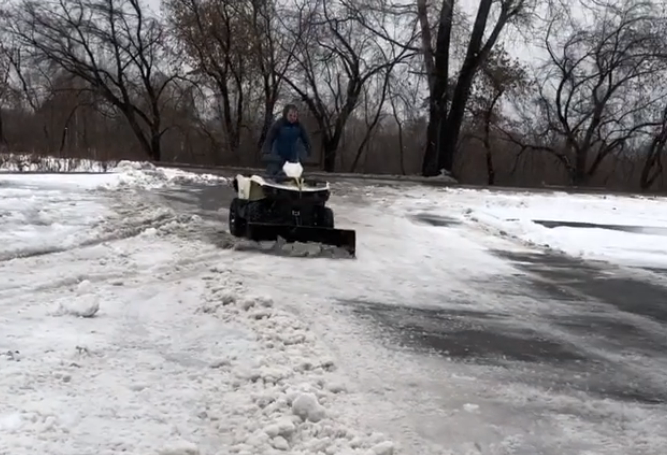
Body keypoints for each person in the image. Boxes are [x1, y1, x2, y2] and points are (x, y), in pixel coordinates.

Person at [262, 104, 312, 177]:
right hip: (278, 154)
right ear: (286, 115)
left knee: (292, 173)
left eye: (294, 116)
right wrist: (266, 151)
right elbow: (270, 138)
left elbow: (306, 139)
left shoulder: (299, 126)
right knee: (274, 172)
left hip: (292, 155)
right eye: (290, 115)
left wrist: (309, 150)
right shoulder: (279, 124)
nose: (292, 118)